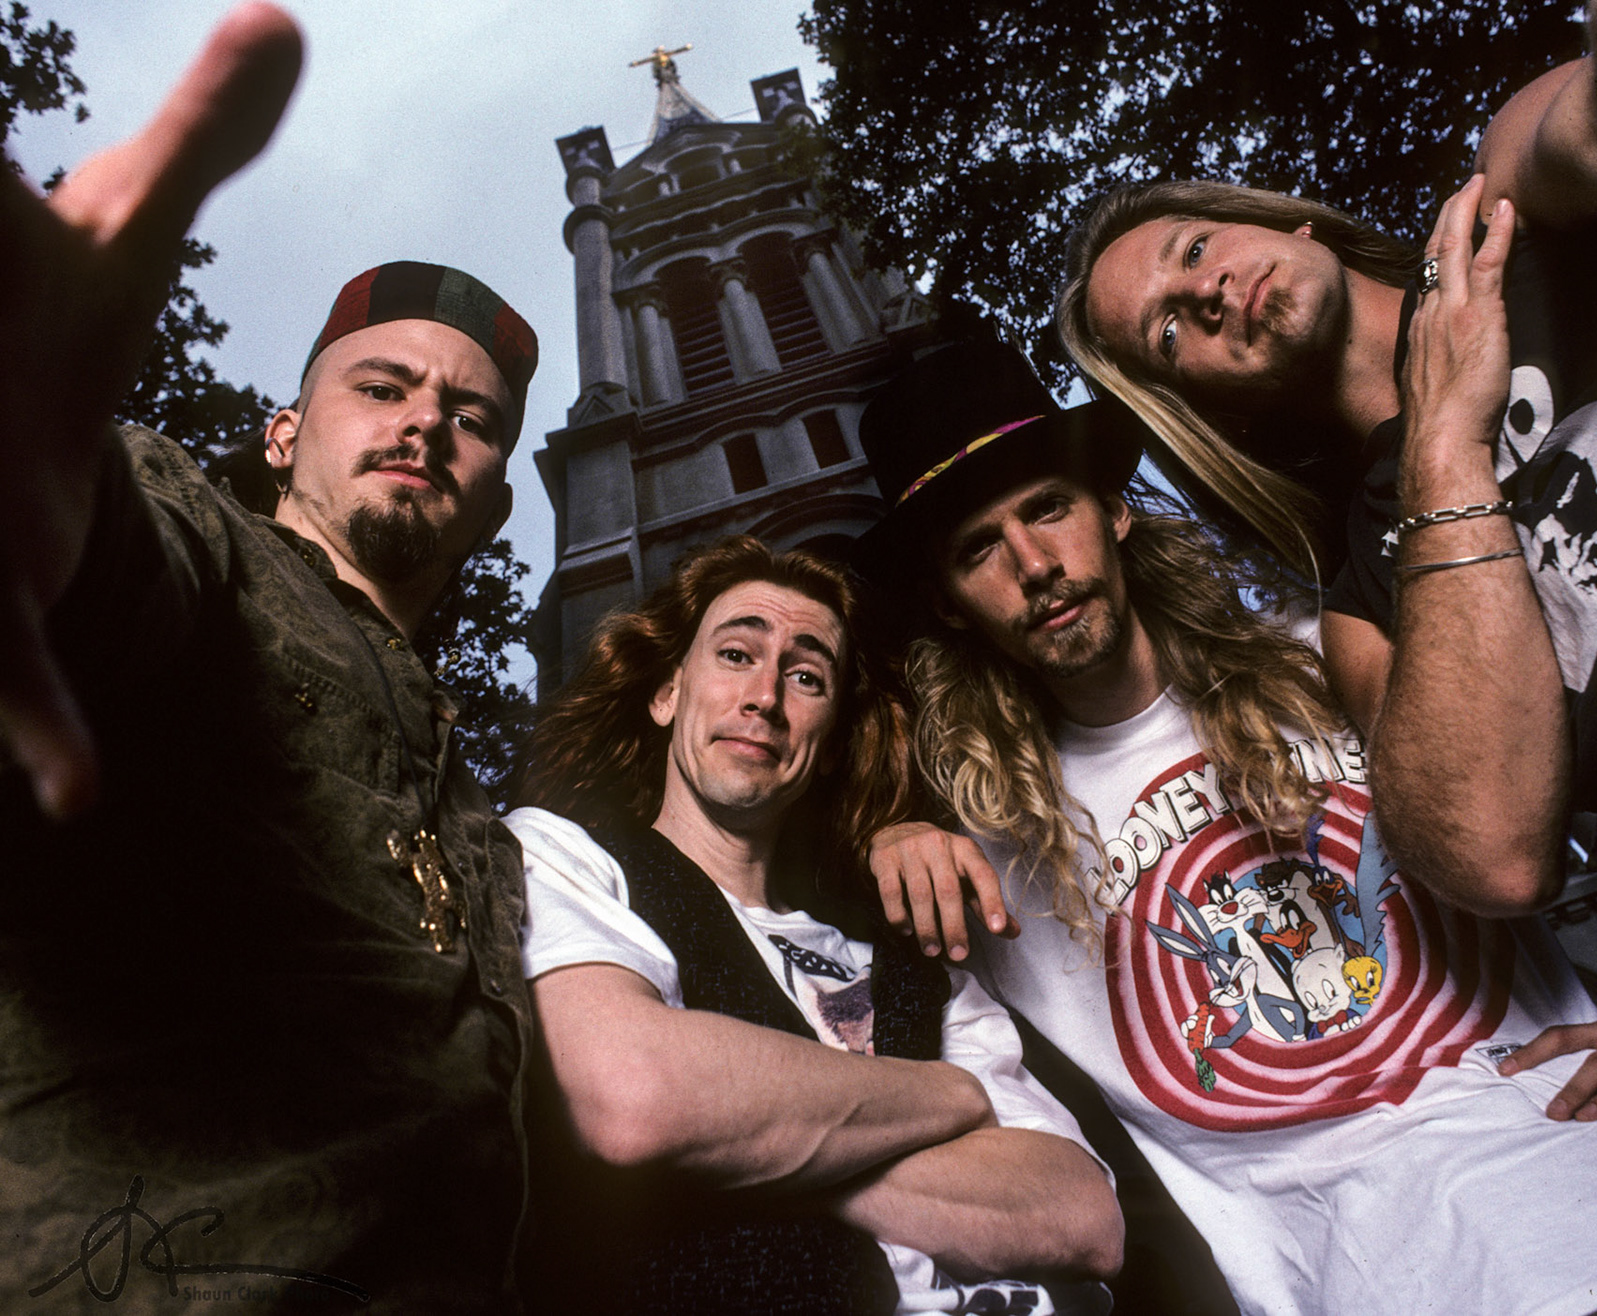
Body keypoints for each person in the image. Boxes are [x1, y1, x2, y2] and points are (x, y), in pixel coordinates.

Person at [1053, 0, 1597, 1183]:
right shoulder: (1361, 603)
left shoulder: (1521, 202)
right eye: (1166, 332)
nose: (1203, 293)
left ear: (1286, 222)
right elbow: (1496, 851)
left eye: (1196, 247)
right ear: (1210, 408)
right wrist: (1446, 441)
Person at [857, 339, 1597, 1316]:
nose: (1034, 564)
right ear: (946, 604)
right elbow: (773, 895)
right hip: (1397, 1273)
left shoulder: (1328, 658)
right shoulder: (977, 846)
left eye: (1047, 509)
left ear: (1114, 511)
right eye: (978, 549)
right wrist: (876, 832)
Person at [0, 9, 544, 1310]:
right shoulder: (202, 549)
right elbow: (98, 549)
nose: (426, 422)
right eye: (384, 385)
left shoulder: (490, 826)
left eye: (471, 420)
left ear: (496, 504)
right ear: (284, 430)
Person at [507, 536, 1123, 1315]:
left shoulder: (909, 956)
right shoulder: (568, 862)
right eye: (735, 655)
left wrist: (741, 1150)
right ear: (667, 694)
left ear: (830, 745)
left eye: (806, 676)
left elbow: (1081, 1218)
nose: (765, 696)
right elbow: (635, 1098)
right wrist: (952, 1095)